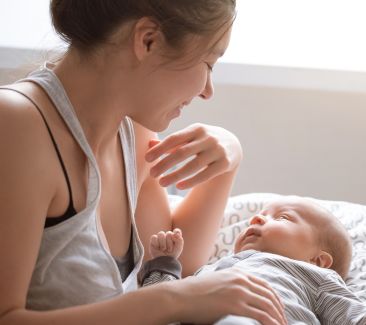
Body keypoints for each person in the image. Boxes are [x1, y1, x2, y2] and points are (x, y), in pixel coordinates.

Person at [0, 1, 288, 324]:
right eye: (209, 62)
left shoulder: (132, 131)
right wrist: (169, 300)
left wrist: (229, 161)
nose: (208, 90)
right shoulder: (17, 124)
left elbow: (178, 256)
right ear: (147, 40)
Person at [139, 196, 366, 325]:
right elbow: (159, 304)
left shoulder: (309, 276)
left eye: (281, 217)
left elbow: (352, 316)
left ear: (318, 260)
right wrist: (165, 265)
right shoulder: (209, 270)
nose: (257, 218)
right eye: (261, 215)